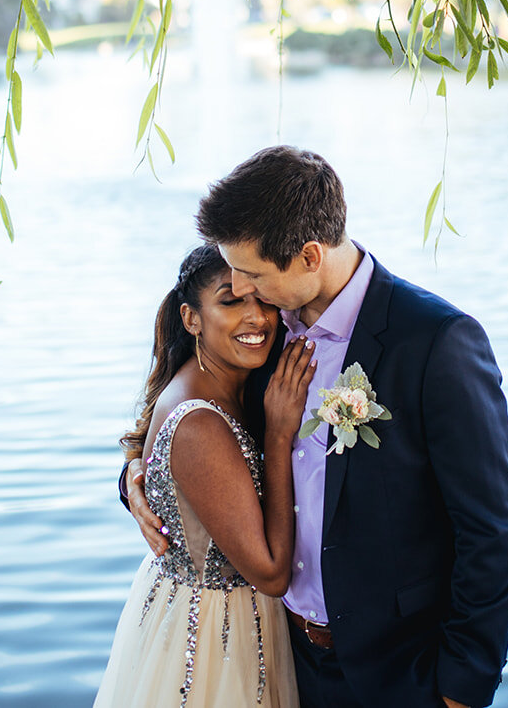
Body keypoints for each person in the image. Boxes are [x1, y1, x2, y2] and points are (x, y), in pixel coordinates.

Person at [125, 146, 508, 708]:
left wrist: (461, 690)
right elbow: (191, 413)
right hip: (283, 659)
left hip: (401, 671)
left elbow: (495, 534)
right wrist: (137, 477)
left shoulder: (435, 343)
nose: (241, 289)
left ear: (309, 255)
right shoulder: (263, 337)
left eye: (252, 273)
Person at [95, 244, 318, 708]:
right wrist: (278, 434)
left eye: (262, 299)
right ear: (192, 318)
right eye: (231, 301)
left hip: (223, 622)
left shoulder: (232, 381)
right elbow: (272, 574)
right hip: (215, 642)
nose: (256, 317)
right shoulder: (199, 422)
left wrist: (133, 472)